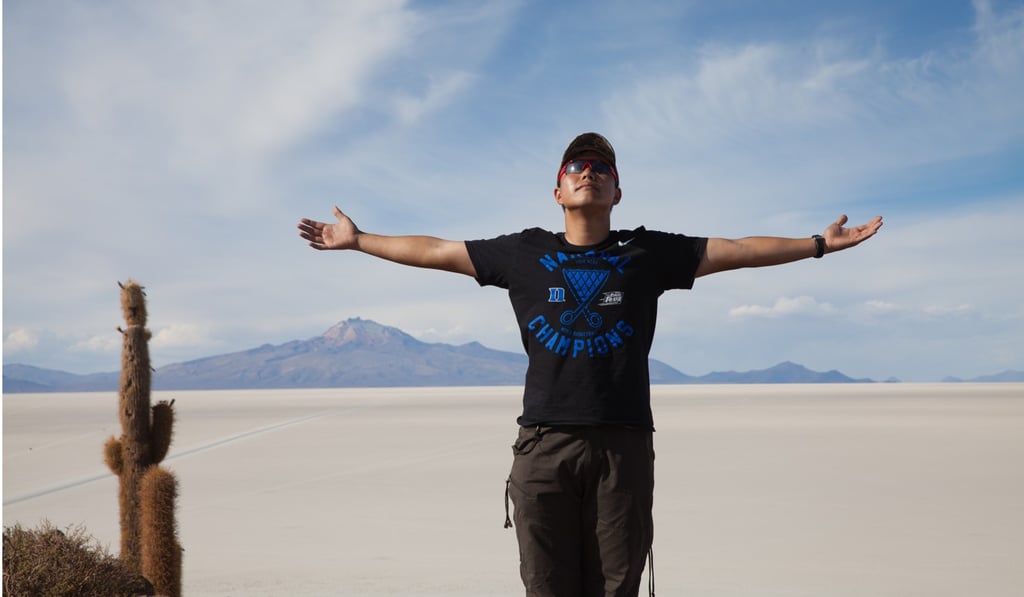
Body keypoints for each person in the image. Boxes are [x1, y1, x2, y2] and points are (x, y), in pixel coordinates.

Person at [297, 132, 883, 597]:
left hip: (622, 446)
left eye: (602, 168)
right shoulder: (524, 252)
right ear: (557, 192)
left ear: (617, 194)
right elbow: (437, 250)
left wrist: (817, 245)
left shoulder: (648, 253)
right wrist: (360, 239)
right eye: (576, 167)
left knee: (615, 585)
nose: (588, 172)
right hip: (544, 445)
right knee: (546, 586)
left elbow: (737, 250)